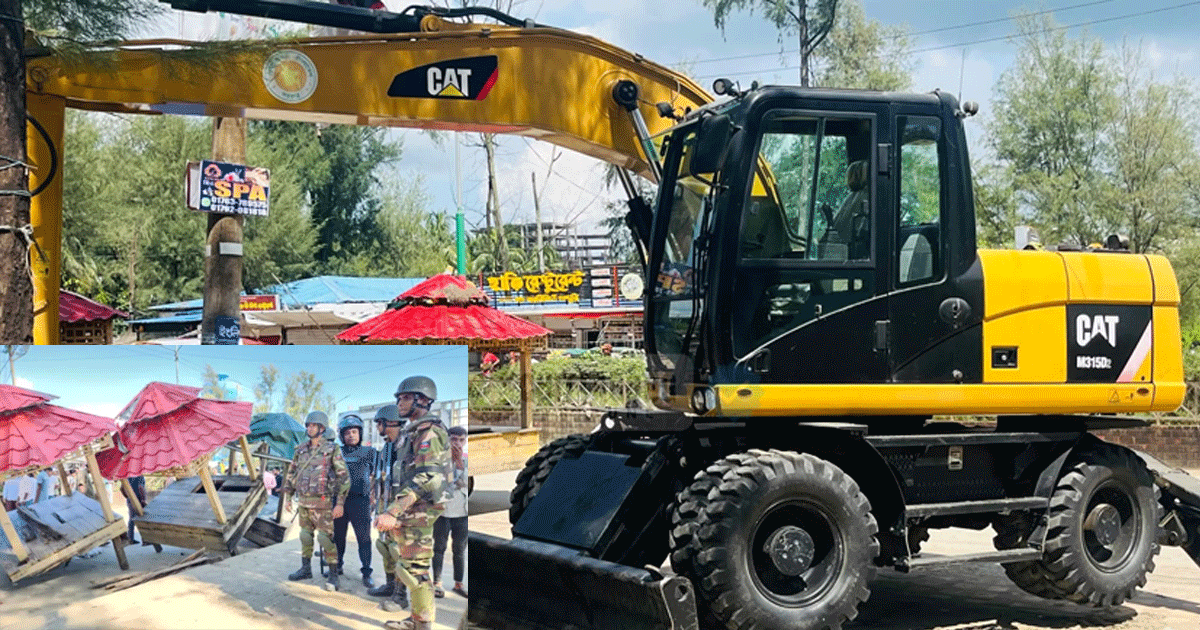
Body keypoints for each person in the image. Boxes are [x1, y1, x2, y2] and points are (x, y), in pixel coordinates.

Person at [374, 376, 450, 630]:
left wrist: (393, 511)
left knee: (415, 572)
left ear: (424, 400)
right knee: (408, 568)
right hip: (412, 510)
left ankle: (423, 625)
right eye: (399, 398)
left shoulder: (429, 431)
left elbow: (428, 477)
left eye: (406, 397)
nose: (400, 403)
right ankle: (417, 620)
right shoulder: (414, 431)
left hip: (420, 510)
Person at [282, 411, 350, 591]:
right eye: (308, 425)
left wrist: (340, 503)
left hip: (323, 503)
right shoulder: (300, 450)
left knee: (325, 539)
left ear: (322, 428)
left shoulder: (331, 449)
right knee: (305, 536)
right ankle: (305, 569)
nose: (310, 428)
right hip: (304, 501)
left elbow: (343, 477)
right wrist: (288, 497)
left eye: (313, 425)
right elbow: (291, 473)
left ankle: (334, 573)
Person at [333, 414, 379, 588]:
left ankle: (366, 572)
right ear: (342, 436)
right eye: (347, 433)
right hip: (339, 502)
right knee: (338, 537)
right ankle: (337, 566)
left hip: (361, 501)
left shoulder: (370, 452)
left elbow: (377, 475)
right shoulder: (337, 452)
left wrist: (374, 494)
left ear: (360, 433)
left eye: (354, 431)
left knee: (364, 539)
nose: (351, 435)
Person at [367, 404, 406, 601]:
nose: (377, 427)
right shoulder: (386, 448)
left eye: (379, 423)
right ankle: (390, 584)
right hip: (384, 506)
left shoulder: (408, 447)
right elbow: (380, 477)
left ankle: (401, 593)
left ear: (389, 423)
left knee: (398, 551)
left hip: (401, 509)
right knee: (384, 546)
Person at [432, 425, 468, 598]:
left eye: (461, 440)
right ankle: (437, 583)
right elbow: (444, 482)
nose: (457, 443)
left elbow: (466, 483)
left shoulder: (467, 461)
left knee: (459, 550)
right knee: (439, 547)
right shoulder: (439, 461)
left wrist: (459, 463)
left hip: (462, 513)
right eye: (454, 439)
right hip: (443, 512)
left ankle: (458, 583)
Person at [124, 475, 147, 543]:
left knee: (131, 519)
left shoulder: (127, 476)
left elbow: (122, 488)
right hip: (138, 500)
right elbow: (141, 488)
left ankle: (130, 538)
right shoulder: (139, 476)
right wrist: (143, 500)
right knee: (142, 519)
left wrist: (128, 497)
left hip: (130, 500)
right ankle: (145, 540)